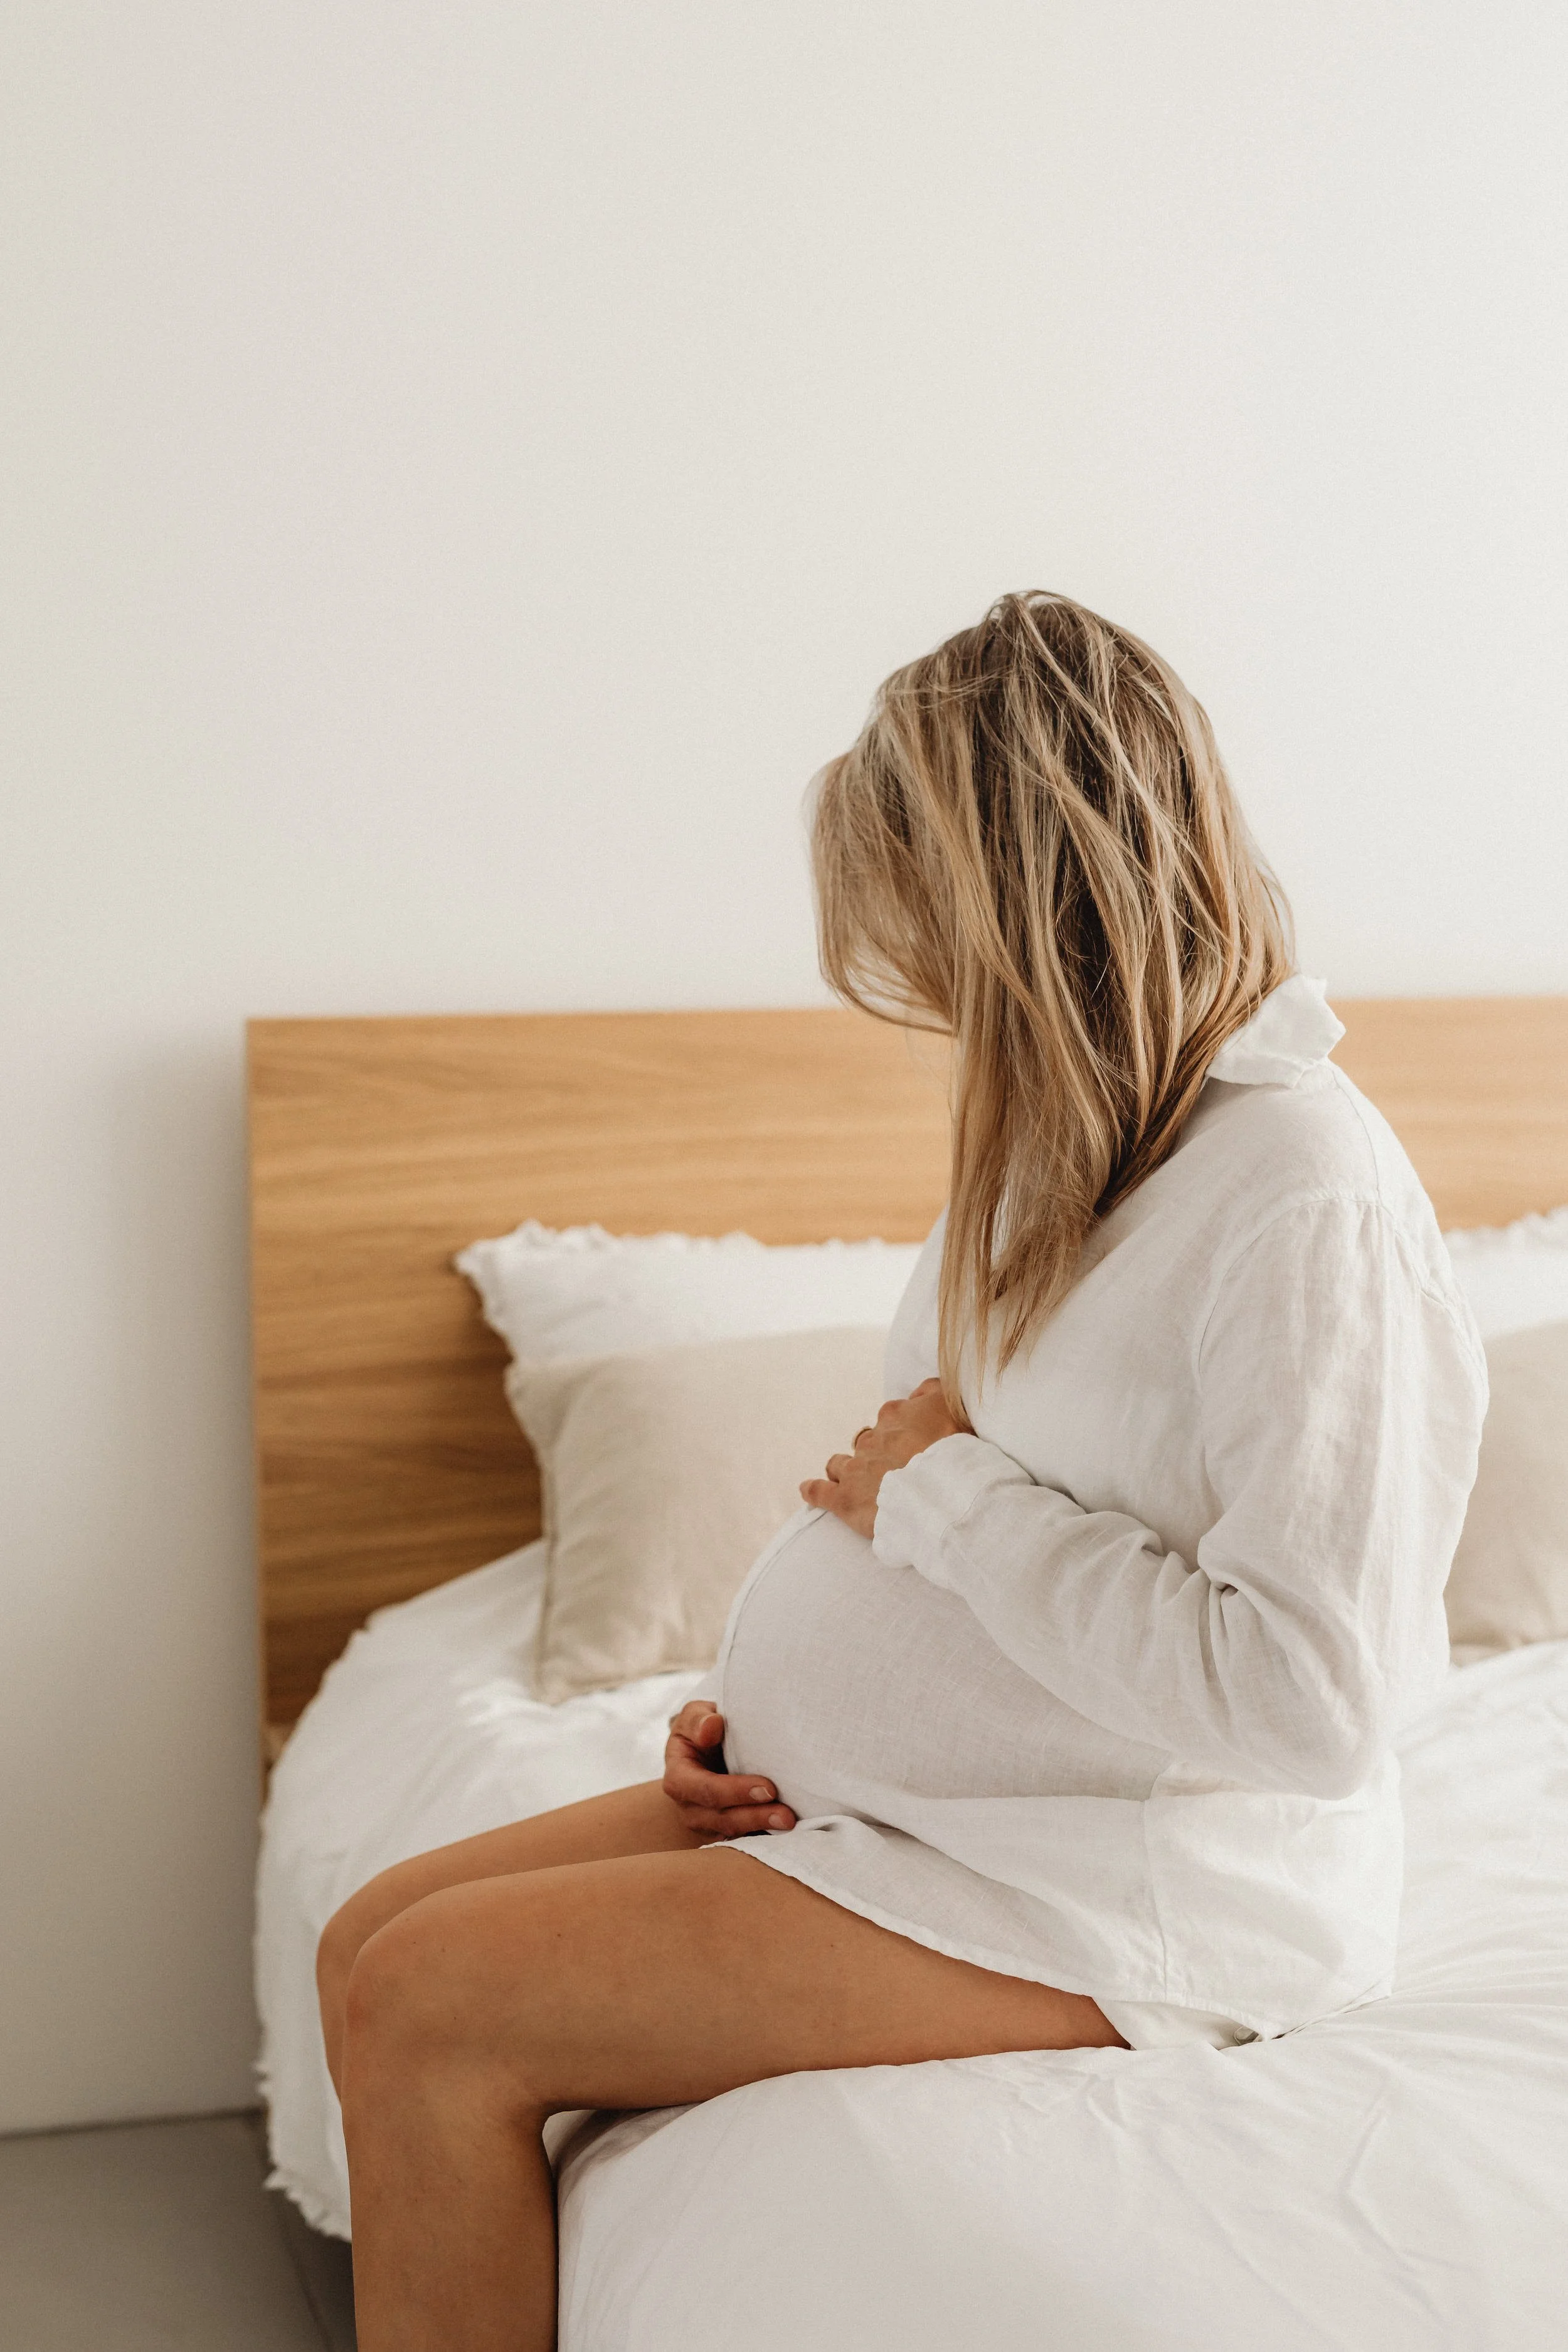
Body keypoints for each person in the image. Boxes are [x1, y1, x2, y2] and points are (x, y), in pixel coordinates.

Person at [315, 591, 1486, 2351]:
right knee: (370, 1934)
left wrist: (943, 1499)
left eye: (927, 945)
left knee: (429, 2001)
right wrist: (759, 1706)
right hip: (933, 1817)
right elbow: (955, 1508)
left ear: (1018, 909)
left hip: (1126, 1902)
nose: (924, 998)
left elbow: (1306, 1699)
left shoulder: (1302, 1193)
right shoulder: (1069, 1152)